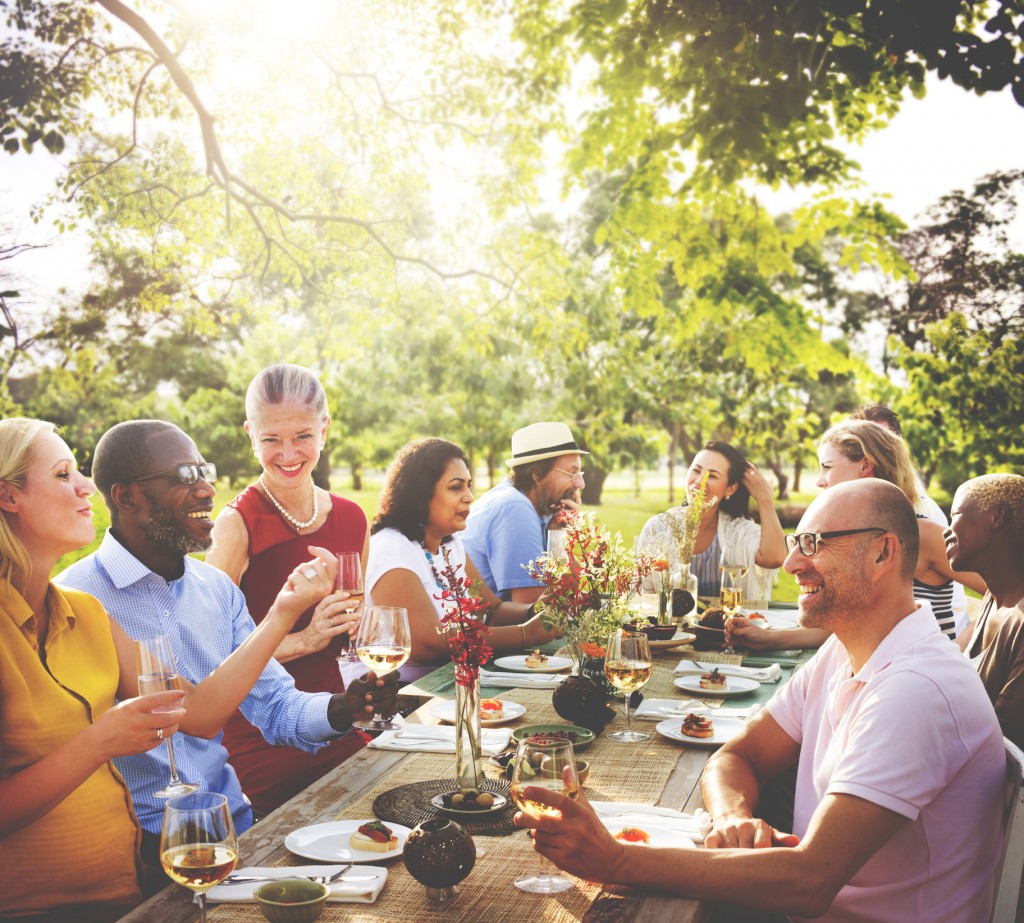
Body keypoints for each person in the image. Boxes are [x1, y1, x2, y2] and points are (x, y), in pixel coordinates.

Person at [515, 479, 1006, 922]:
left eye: (813, 544)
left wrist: (617, 860)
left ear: (883, 553)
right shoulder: (846, 648)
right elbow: (737, 755)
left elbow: (809, 881)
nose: (792, 563)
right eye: (797, 543)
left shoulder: (917, 689)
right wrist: (732, 819)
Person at [0, 418, 331, 921]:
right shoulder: (77, 597)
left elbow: (194, 713)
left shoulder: (83, 613)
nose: (85, 486)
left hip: (125, 890)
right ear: (9, 497)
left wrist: (284, 611)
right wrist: (101, 741)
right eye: (64, 474)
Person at [58, 420, 398, 872]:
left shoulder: (216, 589)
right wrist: (284, 614)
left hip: (233, 828)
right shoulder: (74, 600)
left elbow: (275, 706)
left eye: (205, 472)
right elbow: (190, 715)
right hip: (138, 849)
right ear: (127, 497)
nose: (205, 490)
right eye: (184, 477)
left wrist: (344, 708)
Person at [205, 364, 368, 816]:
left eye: (302, 436)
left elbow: (358, 636)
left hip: (342, 720)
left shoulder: (354, 518)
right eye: (271, 439)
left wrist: (359, 626)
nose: (288, 453)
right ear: (249, 435)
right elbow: (210, 663)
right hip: (262, 739)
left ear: (325, 430)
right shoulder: (235, 526)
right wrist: (306, 639)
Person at [728, 420, 986, 652]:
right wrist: (768, 639)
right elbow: (841, 623)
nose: (820, 481)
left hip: (919, 678)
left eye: (827, 467)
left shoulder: (920, 534)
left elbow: (1009, 594)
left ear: (865, 465)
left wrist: (959, 648)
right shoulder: (851, 536)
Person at [366, 438, 559, 685]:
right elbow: (428, 644)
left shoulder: (449, 543)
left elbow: (492, 611)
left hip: (453, 681)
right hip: (400, 694)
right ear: (420, 493)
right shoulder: (391, 547)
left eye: (468, 486)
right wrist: (526, 634)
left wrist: (535, 611)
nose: (468, 497)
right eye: (456, 487)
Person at [851, 401, 968, 632]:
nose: (874, 449)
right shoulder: (855, 520)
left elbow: (998, 590)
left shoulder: (922, 519)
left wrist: (968, 639)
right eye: (861, 441)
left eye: (882, 438)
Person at [636, 440, 786, 601]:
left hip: (728, 625)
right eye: (696, 470)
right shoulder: (658, 528)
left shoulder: (738, 531)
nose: (699, 481)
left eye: (712, 476)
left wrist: (765, 500)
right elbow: (642, 594)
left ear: (731, 489)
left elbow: (774, 558)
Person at [462, 421, 586, 602]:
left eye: (579, 474)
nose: (580, 484)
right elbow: (535, 613)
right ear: (537, 475)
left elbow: (571, 590)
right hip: (494, 627)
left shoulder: (541, 507)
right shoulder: (514, 508)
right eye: (570, 473)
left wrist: (558, 534)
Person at [946, 473, 1024, 750]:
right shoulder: (996, 597)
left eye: (955, 514)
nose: (946, 530)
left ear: (997, 516)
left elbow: (1005, 745)